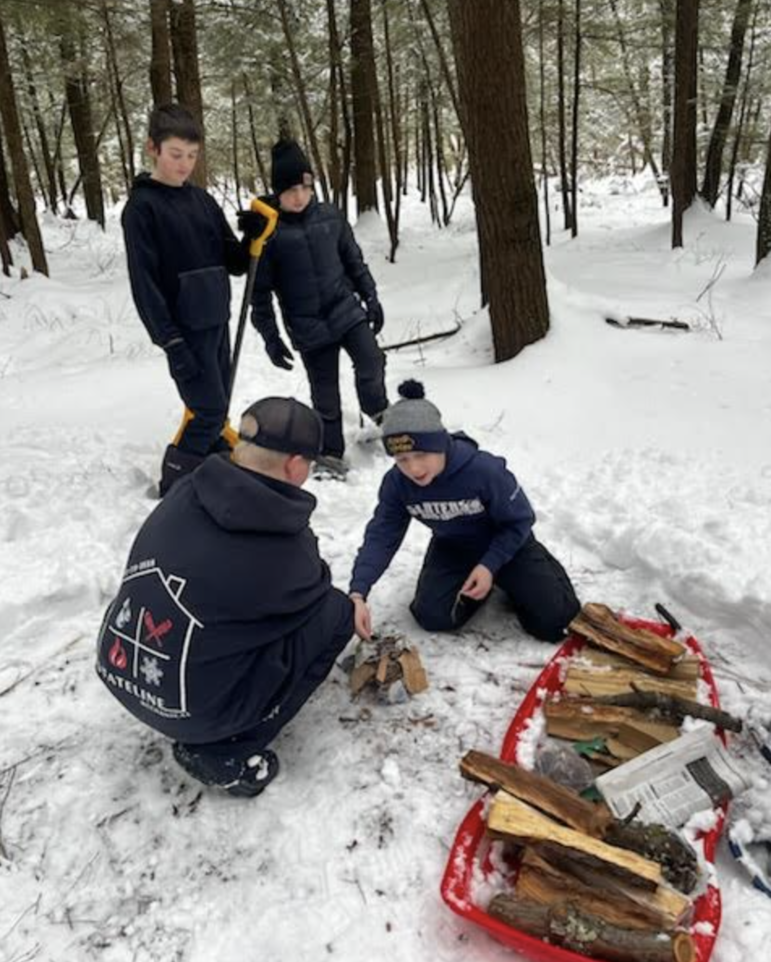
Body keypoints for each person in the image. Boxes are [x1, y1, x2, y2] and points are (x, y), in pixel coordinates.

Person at [96, 396, 366, 798]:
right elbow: (314, 595)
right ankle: (228, 750)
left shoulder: (187, 489)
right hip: (184, 707)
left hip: (120, 669)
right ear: (295, 466)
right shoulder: (281, 543)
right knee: (338, 611)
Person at [348, 380, 580, 642]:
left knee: (555, 622)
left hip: (506, 544)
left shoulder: (485, 471)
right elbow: (382, 535)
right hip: (454, 546)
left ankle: (525, 577)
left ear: (440, 444)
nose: (414, 469)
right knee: (432, 617)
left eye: (422, 454)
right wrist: (358, 593)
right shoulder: (397, 484)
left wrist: (490, 565)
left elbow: (520, 521)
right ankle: (485, 585)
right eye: (402, 459)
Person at [122, 103, 261, 495]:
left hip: (216, 320)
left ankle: (212, 463)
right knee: (209, 411)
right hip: (183, 332)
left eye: (192, 156)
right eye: (176, 155)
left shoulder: (202, 201)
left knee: (216, 409)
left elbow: (234, 263)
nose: (184, 165)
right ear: (153, 148)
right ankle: (173, 488)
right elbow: (144, 285)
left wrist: (253, 235)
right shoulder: (141, 209)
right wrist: (170, 339)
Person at [245, 138, 388, 479]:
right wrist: (271, 337)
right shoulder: (268, 233)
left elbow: (354, 261)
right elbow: (260, 294)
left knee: (371, 360)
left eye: (305, 187)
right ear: (277, 193)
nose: (299, 196)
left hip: (345, 310)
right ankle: (331, 452)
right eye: (290, 190)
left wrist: (371, 296)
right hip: (308, 326)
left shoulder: (330, 217)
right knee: (325, 395)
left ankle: (378, 412)